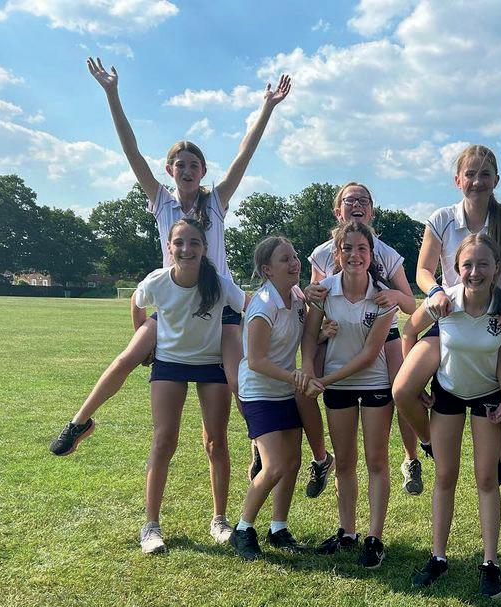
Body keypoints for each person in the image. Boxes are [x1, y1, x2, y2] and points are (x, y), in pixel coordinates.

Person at [49, 57, 290, 460]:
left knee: (237, 380)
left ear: (203, 171)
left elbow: (244, 155)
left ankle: (257, 445)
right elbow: (131, 152)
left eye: (194, 165)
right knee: (127, 358)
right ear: (170, 170)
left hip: (220, 303)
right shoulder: (161, 201)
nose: (187, 170)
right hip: (174, 300)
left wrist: (267, 107)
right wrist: (112, 94)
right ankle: (79, 422)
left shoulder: (216, 202)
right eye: (180, 165)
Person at [404, 235, 501, 598]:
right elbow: (409, 330)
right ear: (456, 268)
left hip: (487, 397)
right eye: (467, 265)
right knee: (444, 476)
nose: (474, 272)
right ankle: (438, 557)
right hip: (448, 392)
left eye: (483, 264)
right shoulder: (444, 301)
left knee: (486, 479)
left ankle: (490, 563)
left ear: (497, 268)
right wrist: (417, 381)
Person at [392, 145, 501, 479]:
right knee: (403, 389)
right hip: (449, 315)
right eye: (470, 174)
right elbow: (423, 271)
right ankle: (429, 442)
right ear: (458, 180)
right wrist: (436, 291)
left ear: (496, 179)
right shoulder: (442, 219)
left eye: (485, 174)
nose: (477, 181)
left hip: (495, 317)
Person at [304, 182, 421, 497]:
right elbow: (313, 300)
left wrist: (394, 295)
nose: (356, 204)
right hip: (338, 332)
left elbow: (410, 305)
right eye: (349, 200)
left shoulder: (386, 252)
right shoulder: (323, 253)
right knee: (305, 387)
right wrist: (311, 298)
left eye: (363, 200)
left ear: (372, 210)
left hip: (381, 331)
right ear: (337, 210)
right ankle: (320, 458)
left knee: (401, 390)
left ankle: (411, 458)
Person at [131, 219, 234, 554]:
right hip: (169, 363)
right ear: (169, 247)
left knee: (216, 442)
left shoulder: (219, 284)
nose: (186, 249)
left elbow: (250, 306)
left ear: (204, 249)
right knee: (164, 440)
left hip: (211, 364)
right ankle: (151, 526)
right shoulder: (158, 281)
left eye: (194, 243)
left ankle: (220, 520)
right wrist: (142, 339)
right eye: (179, 242)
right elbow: (137, 301)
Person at [301, 221, 398, 569]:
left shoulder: (383, 295)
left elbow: (371, 355)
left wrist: (324, 380)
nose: (354, 255)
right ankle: (347, 532)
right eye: (348, 248)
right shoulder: (324, 290)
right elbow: (309, 337)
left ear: (371, 255)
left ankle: (374, 538)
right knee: (343, 462)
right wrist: (309, 372)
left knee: (376, 461)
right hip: (337, 386)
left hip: (374, 383)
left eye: (362, 249)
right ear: (337, 254)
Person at [229, 237, 323, 560]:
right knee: (274, 466)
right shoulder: (263, 305)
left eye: (295, 256)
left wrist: (324, 334)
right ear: (267, 270)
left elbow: (301, 335)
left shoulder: (296, 297)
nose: (295, 263)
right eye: (285, 259)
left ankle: (278, 528)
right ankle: (243, 529)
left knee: (293, 462)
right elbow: (255, 361)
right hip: (259, 393)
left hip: (283, 390)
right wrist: (294, 377)